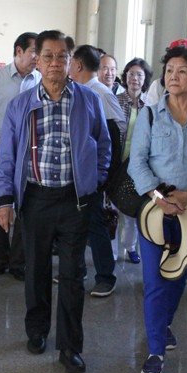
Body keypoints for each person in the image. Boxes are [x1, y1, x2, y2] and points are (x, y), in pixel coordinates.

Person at [0, 30, 111, 373]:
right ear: (37, 60)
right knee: (36, 269)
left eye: (62, 57)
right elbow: (6, 157)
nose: (55, 63)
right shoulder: (20, 105)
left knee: (73, 275)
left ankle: (71, 347)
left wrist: (94, 180)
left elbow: (104, 145)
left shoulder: (88, 101)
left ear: (71, 62)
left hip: (75, 200)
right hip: (36, 199)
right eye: (48, 56)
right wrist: (4, 200)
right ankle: (37, 329)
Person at [128, 44, 187, 373]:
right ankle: (155, 350)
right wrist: (158, 196)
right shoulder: (150, 115)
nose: (173, 76)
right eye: (169, 70)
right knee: (155, 280)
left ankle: (163, 323)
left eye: (181, 71)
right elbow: (137, 162)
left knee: (178, 275)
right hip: (154, 212)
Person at [0, 32, 41, 281]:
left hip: (30, 146)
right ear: (19, 51)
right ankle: (2, 258)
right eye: (34, 51)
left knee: (25, 202)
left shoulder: (40, 80)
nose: (37, 57)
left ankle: (18, 261)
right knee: (1, 200)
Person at [69, 44, 126, 298]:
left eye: (70, 62)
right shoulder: (78, 90)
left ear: (79, 65)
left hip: (93, 174)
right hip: (78, 172)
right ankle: (76, 270)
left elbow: (113, 135)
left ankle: (105, 277)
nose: (68, 67)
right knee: (75, 225)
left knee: (95, 224)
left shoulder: (100, 93)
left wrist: (104, 177)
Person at [114, 57, 153, 265]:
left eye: (139, 74)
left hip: (138, 166)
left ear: (145, 79)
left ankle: (130, 247)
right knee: (112, 210)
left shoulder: (150, 106)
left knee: (132, 210)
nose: (134, 78)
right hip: (116, 164)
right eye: (131, 74)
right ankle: (111, 252)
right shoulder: (116, 100)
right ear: (125, 77)